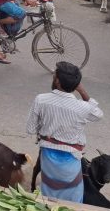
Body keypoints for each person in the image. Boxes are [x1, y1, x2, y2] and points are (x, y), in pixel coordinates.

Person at [26, 61, 103, 203]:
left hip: (48, 156)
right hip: (72, 159)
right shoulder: (82, 107)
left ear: (57, 81)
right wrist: (82, 91)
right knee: (72, 197)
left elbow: (30, 129)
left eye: (54, 75)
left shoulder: (41, 100)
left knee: (49, 193)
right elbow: (98, 114)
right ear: (75, 85)